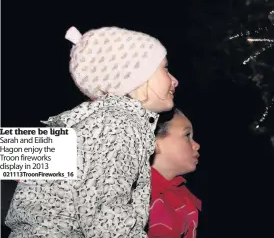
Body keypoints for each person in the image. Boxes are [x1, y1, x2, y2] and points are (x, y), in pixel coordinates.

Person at [5, 26, 179, 238]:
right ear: (135, 76)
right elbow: (107, 220)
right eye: (165, 68)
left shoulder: (97, 123)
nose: (174, 80)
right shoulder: (120, 124)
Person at [148, 109, 201, 238]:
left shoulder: (181, 194)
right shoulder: (135, 195)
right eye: (187, 135)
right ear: (154, 143)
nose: (197, 145)